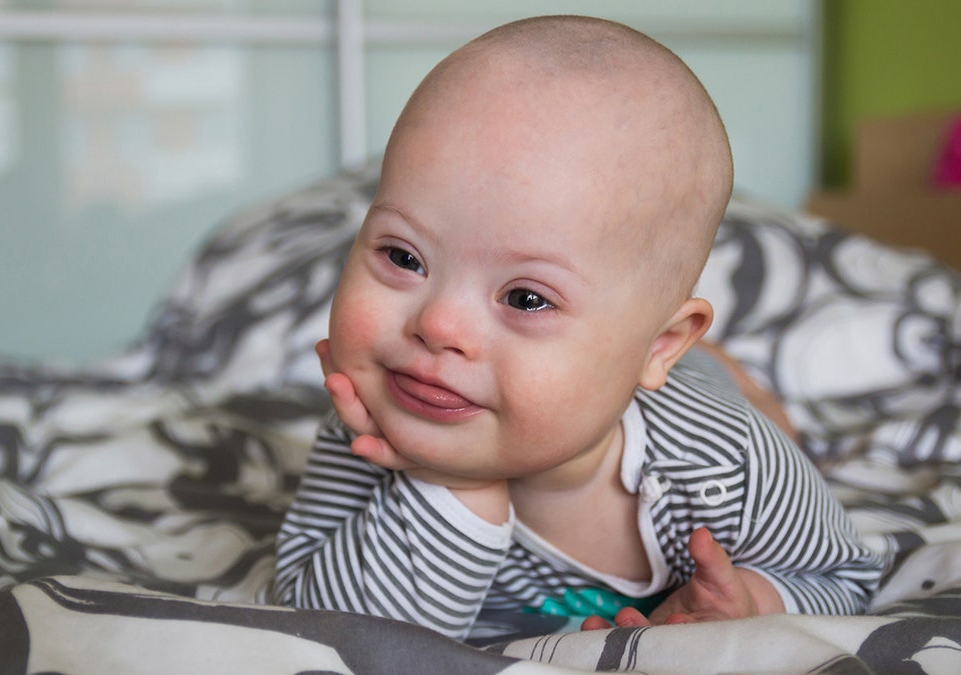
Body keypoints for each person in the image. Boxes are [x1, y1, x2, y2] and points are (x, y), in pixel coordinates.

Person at [272, 15, 882, 640]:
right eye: (404, 257)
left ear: (660, 343)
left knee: (760, 413)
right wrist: (449, 486)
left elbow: (842, 577)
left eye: (527, 298)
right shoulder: (377, 425)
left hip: (696, 397)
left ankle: (722, 371)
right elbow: (321, 621)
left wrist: (755, 598)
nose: (437, 324)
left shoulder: (729, 463)